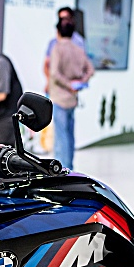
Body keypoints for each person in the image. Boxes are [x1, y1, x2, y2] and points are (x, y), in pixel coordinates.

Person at [47, 17, 94, 169]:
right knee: (69, 134)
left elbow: (54, 73)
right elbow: (90, 70)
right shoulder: (78, 49)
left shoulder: (57, 49)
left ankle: (62, 169)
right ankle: (70, 167)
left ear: (58, 31)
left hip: (59, 97)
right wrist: (78, 83)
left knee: (61, 136)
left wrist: (68, 85)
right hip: (72, 99)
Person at [43, 6, 85, 83]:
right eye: (61, 19)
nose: (64, 22)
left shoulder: (78, 41)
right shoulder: (53, 42)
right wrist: (49, 81)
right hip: (55, 84)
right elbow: (47, 64)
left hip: (70, 85)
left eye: (66, 18)